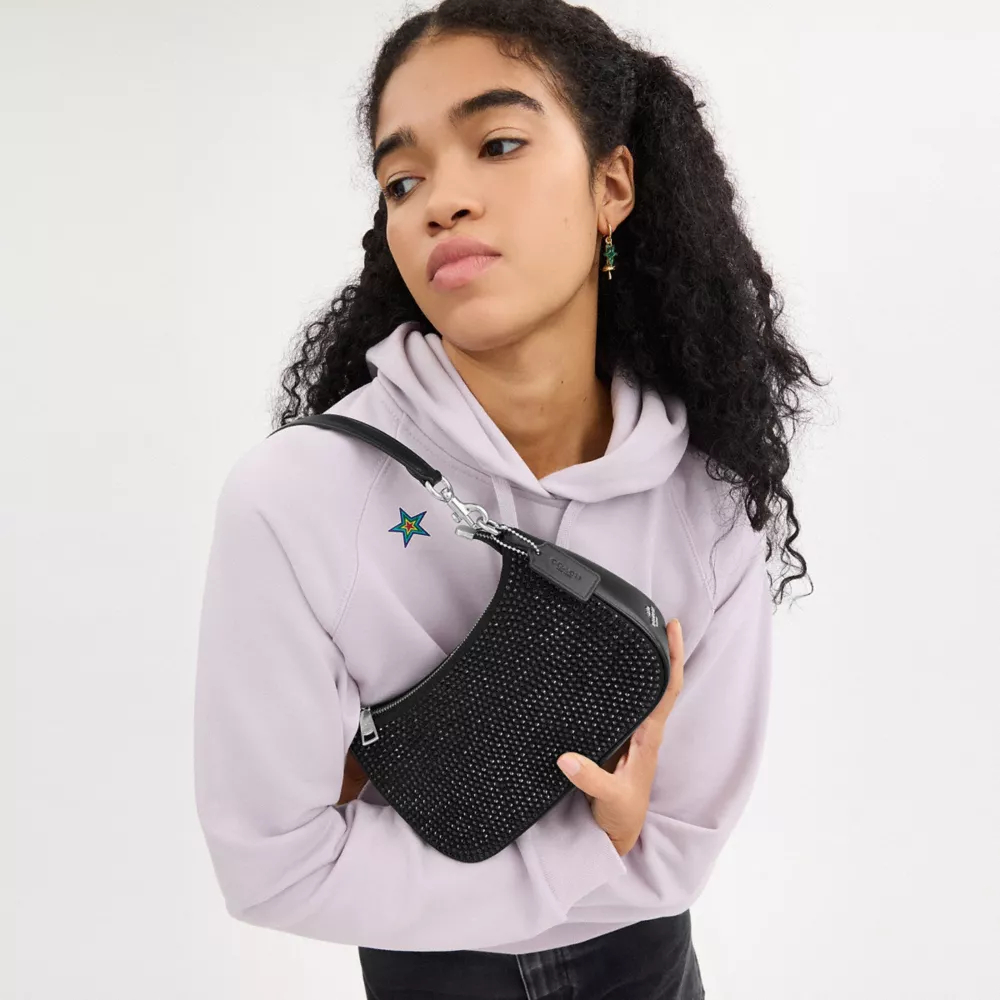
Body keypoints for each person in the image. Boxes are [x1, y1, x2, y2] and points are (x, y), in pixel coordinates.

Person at [193, 1, 825, 996]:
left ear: (611, 185)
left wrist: (398, 848)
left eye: (496, 144)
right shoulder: (296, 498)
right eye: (403, 180)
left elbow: (678, 852)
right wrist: (591, 843)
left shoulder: (706, 495)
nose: (440, 202)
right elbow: (273, 866)